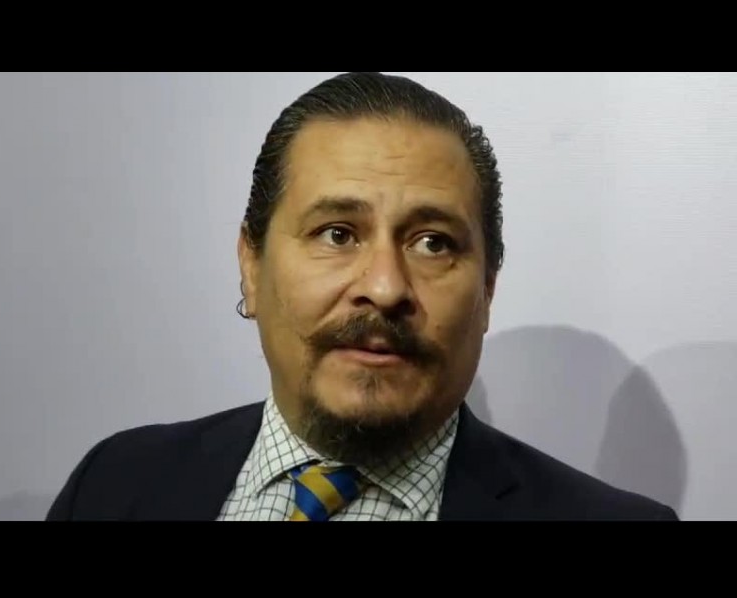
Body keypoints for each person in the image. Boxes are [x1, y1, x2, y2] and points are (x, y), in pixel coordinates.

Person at [46, 72, 679, 521]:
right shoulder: (115, 484)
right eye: (337, 233)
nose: (384, 287)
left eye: (432, 243)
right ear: (251, 264)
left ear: (488, 290)